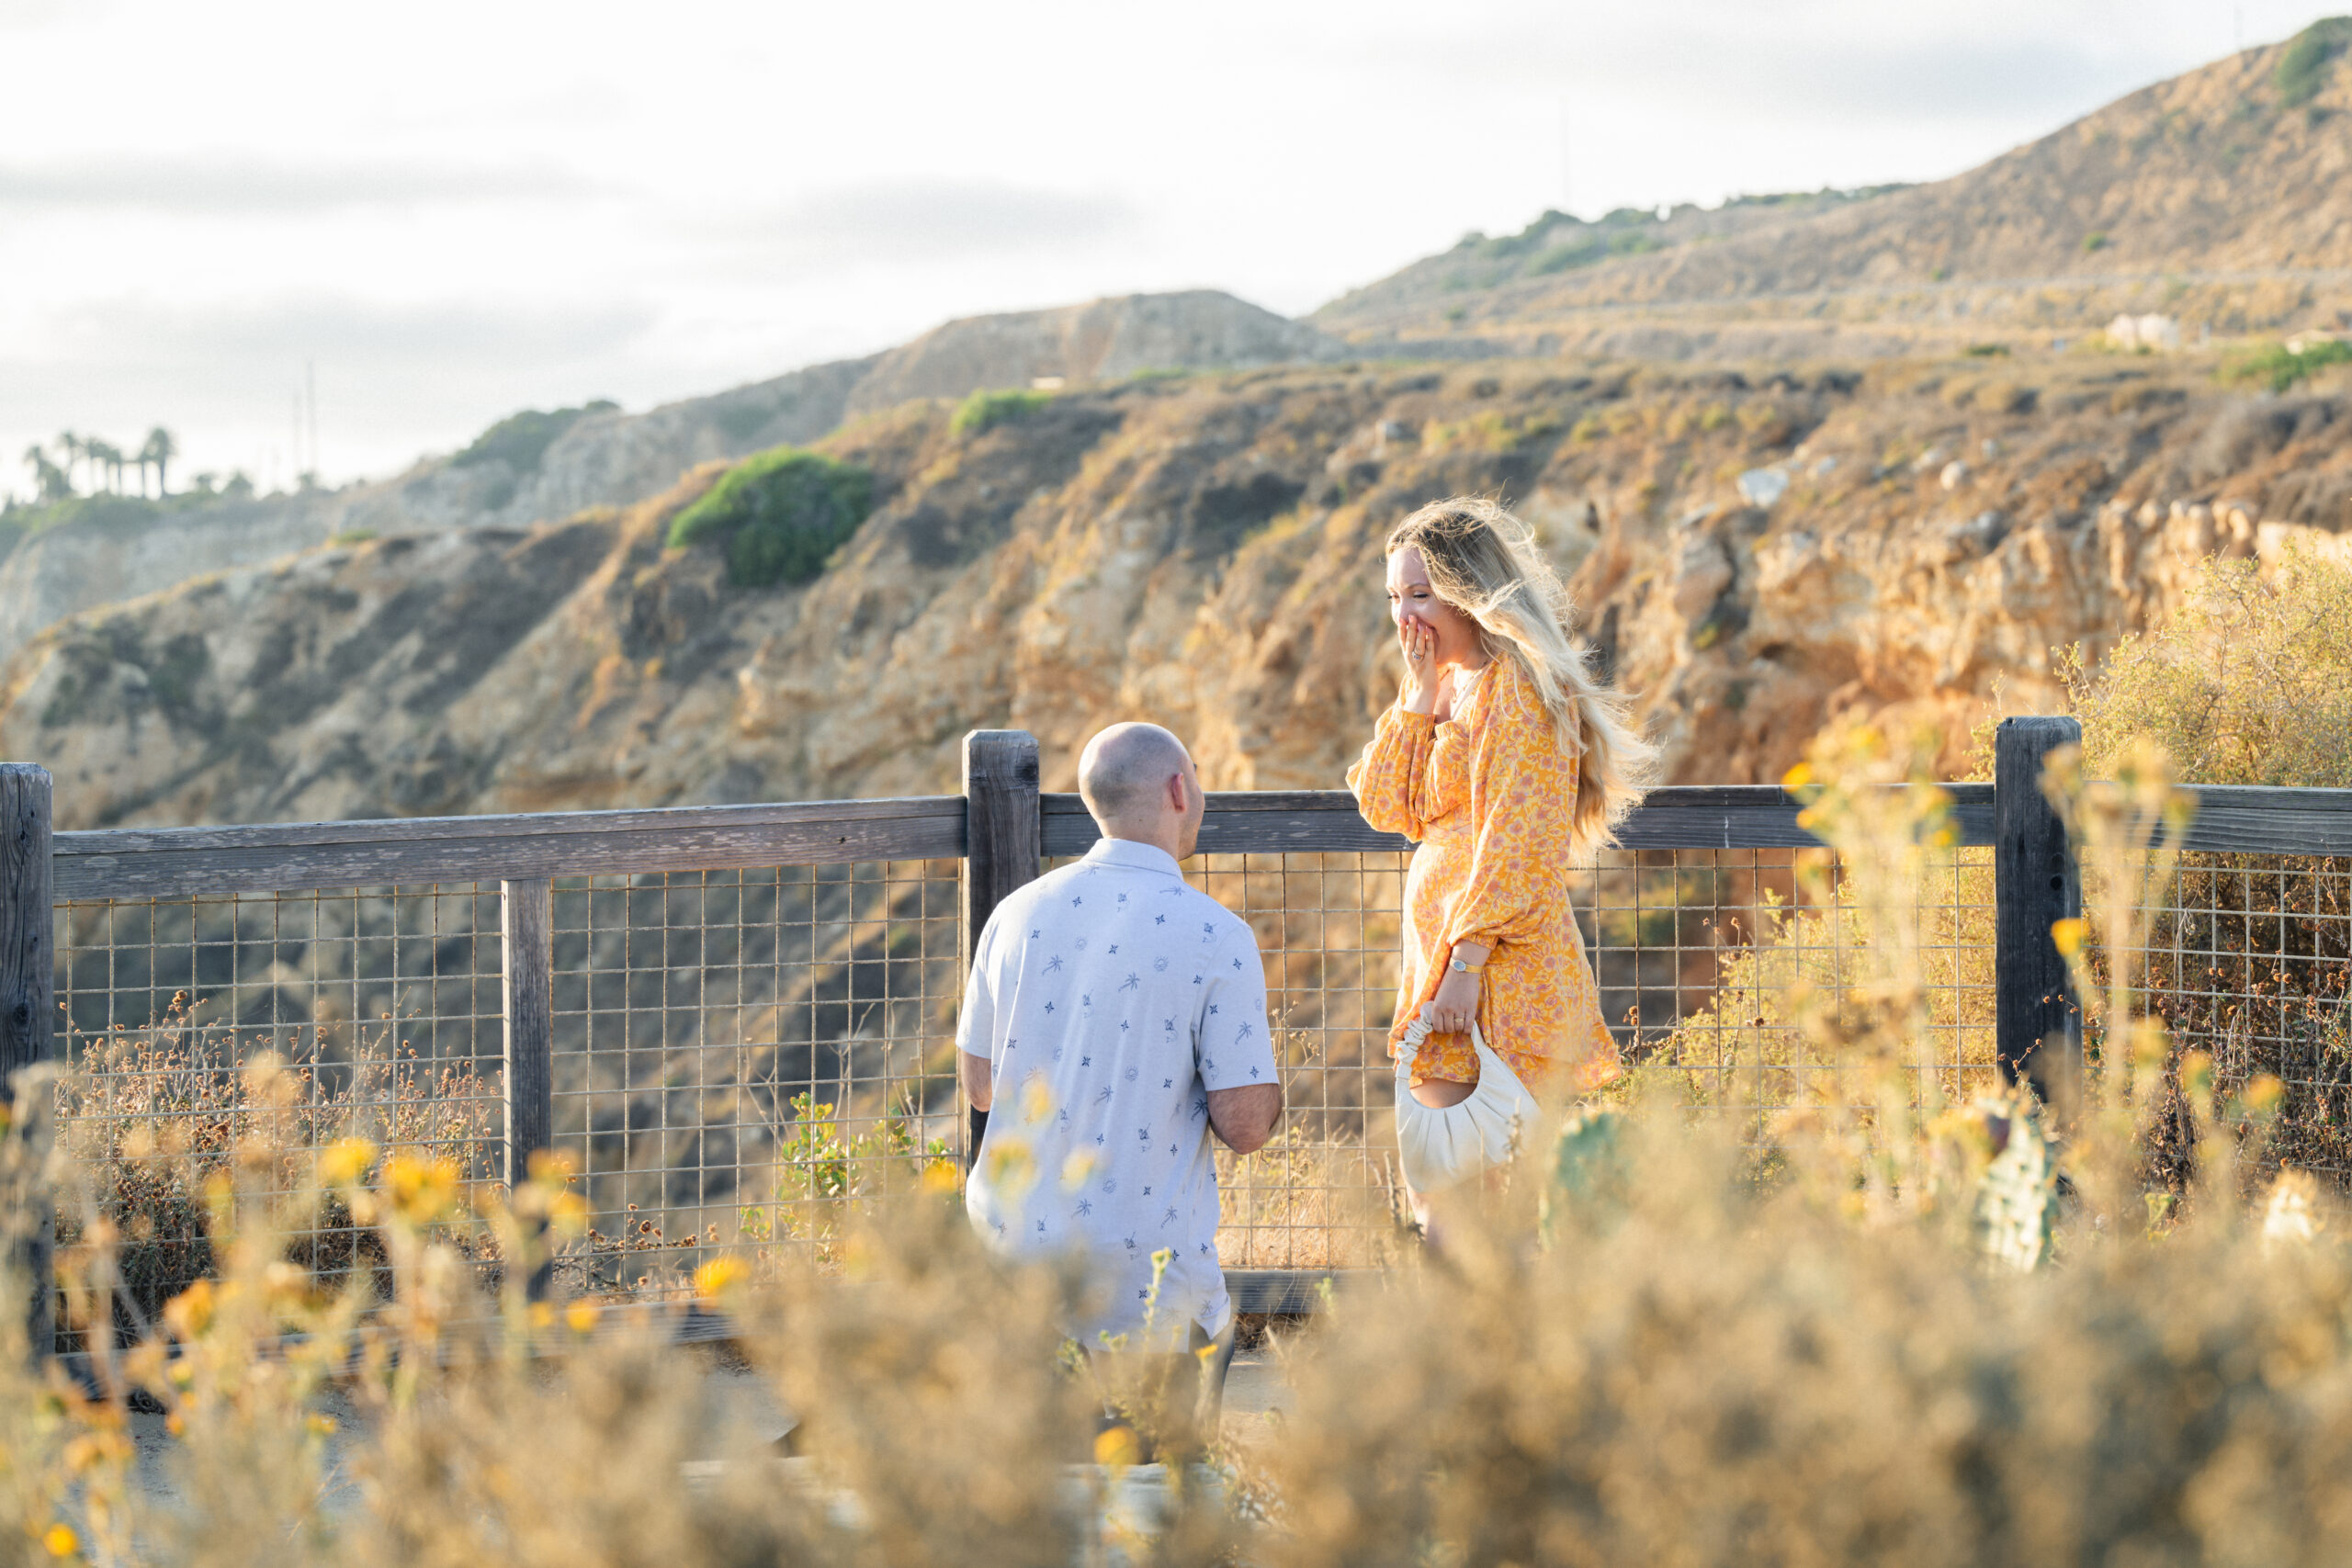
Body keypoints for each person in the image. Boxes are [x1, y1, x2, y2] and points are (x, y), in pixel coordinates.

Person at [959, 721, 1282, 1432]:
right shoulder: (1215, 932)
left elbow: (980, 1087)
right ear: (1178, 789)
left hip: (1007, 1274)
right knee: (1158, 1494)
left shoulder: (1013, 914)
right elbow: (1247, 1126)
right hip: (1146, 1294)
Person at [1346, 497, 1652, 1197]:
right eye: (1394, 596)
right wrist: (1419, 695)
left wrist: (1468, 962)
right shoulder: (1450, 684)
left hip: (1493, 969)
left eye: (1420, 594)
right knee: (1451, 1187)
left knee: (1489, 1190)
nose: (1404, 616)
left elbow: (1520, 835)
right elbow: (1386, 805)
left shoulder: (1517, 686)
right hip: (1447, 963)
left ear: (1467, 591)